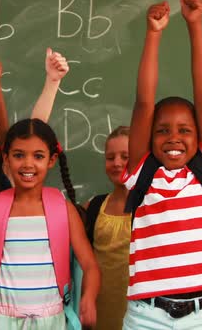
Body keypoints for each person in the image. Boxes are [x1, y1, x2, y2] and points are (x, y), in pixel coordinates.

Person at [122, 0, 202, 328]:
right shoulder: (143, 173)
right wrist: (153, 35)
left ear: (200, 137)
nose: (173, 138)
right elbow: (143, 102)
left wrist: (195, 25)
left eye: (185, 130)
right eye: (163, 131)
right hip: (146, 316)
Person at [0, 118, 100, 329]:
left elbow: (90, 265)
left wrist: (88, 298)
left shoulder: (64, 210)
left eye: (38, 156)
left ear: (51, 160)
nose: (28, 164)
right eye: (18, 155)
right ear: (6, 158)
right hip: (1, 321)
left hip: (51, 321)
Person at [83, 126, 130, 330]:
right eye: (110, 157)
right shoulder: (93, 206)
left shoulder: (150, 207)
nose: (117, 163)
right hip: (99, 309)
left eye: (125, 156)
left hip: (140, 312)